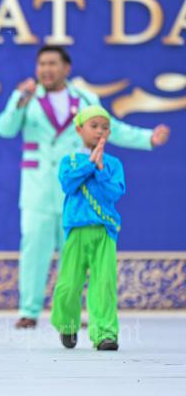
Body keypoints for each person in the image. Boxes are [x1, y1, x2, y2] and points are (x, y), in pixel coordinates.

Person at [0, 45, 170, 329]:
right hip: (38, 188)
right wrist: (18, 98)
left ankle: (72, 312)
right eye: (42, 64)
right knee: (34, 249)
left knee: (74, 254)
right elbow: (5, 128)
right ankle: (29, 310)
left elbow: (112, 128)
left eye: (52, 63)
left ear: (66, 68)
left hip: (77, 191)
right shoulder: (28, 98)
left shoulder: (86, 99)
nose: (46, 69)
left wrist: (148, 138)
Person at [52, 105, 124, 351]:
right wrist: (90, 165)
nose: (100, 131)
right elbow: (68, 184)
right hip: (76, 231)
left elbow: (114, 193)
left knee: (104, 283)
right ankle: (67, 325)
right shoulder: (70, 161)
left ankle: (105, 334)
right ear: (79, 129)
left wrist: (101, 169)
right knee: (68, 285)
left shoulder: (113, 164)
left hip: (104, 231)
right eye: (94, 126)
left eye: (105, 127)